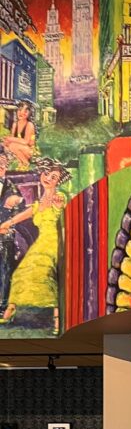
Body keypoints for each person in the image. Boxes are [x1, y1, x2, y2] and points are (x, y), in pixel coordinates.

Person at [0, 157, 70, 331]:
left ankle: (56, 318)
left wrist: (60, 206)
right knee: (20, 273)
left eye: (53, 177)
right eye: (46, 174)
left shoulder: (60, 198)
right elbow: (16, 219)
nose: (48, 179)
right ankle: (10, 311)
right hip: (41, 243)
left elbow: (67, 216)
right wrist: (5, 224)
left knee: (45, 273)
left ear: (58, 181)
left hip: (55, 243)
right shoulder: (38, 204)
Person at [0, 147, 24, 307]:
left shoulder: (11, 186)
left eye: (3, 163)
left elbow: (20, 211)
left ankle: (2, 303)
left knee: (5, 265)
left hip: (4, 232)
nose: (1, 166)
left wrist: (16, 203)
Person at [3, 100, 36, 172]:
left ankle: (25, 163)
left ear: (29, 114)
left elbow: (26, 142)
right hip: (18, 149)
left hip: (30, 151)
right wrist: (6, 142)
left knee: (12, 145)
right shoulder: (15, 124)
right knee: (7, 144)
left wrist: (11, 139)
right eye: (20, 110)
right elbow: (11, 138)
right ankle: (20, 164)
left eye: (25, 111)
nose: (22, 113)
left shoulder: (29, 125)